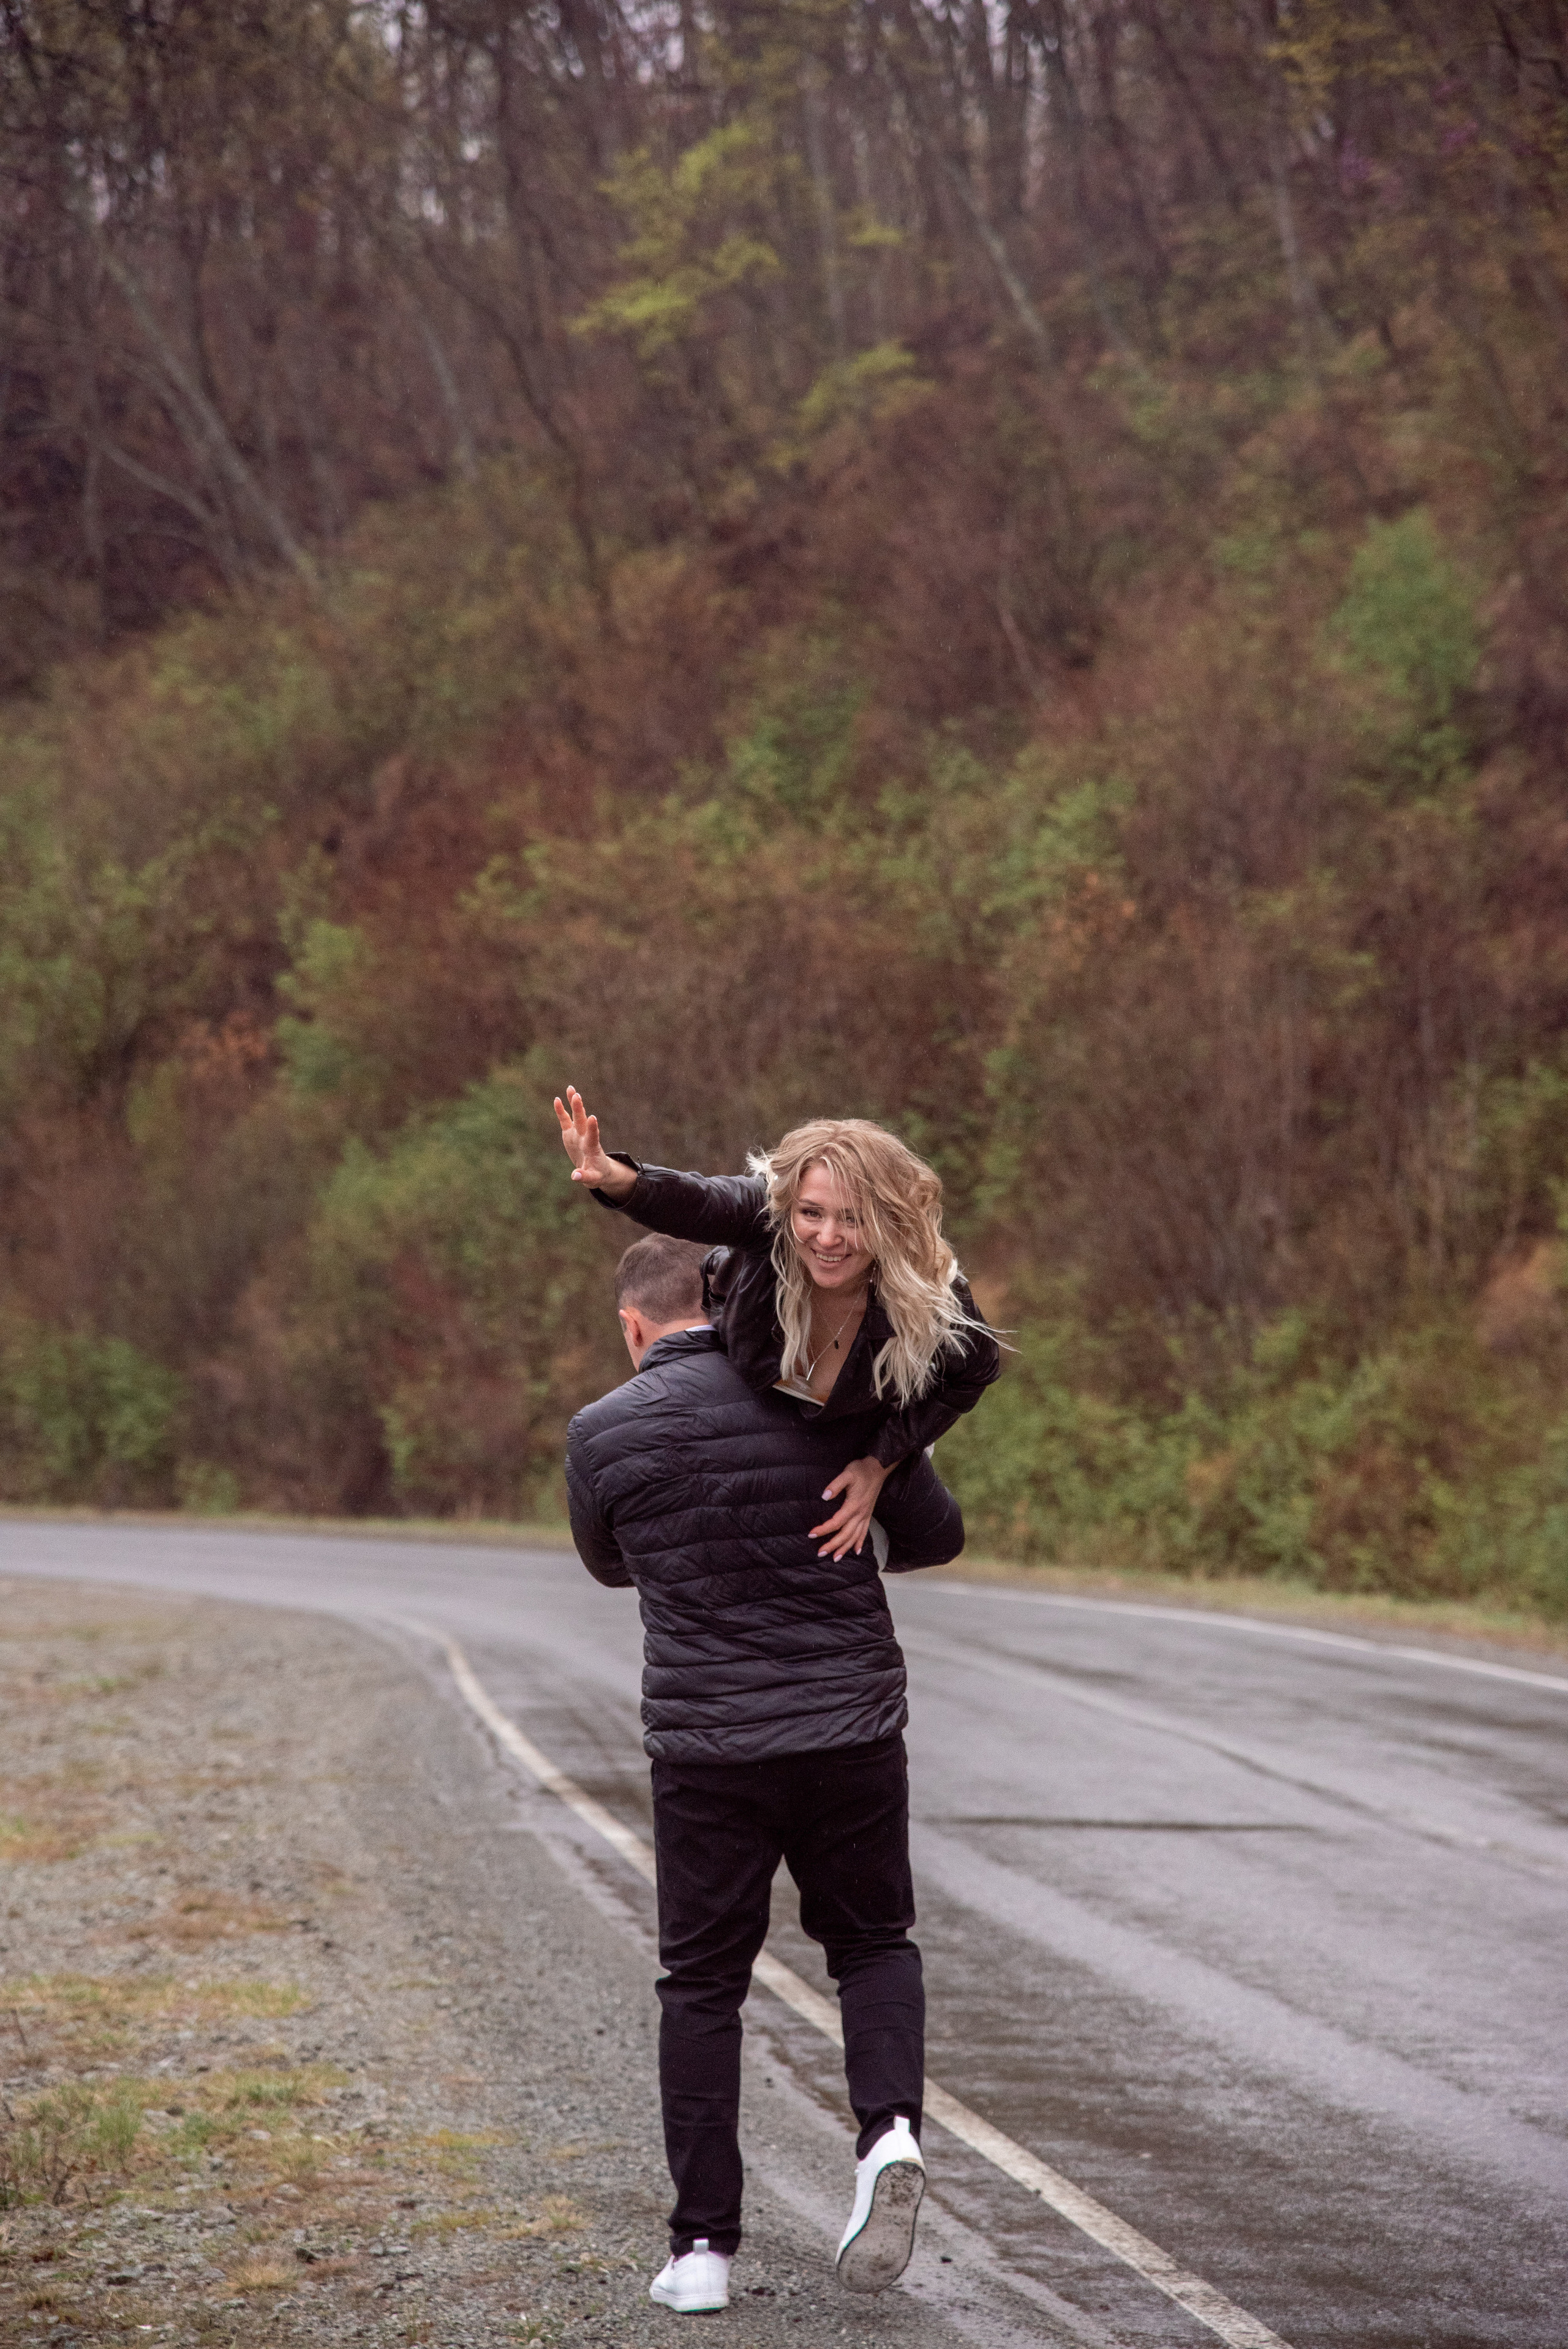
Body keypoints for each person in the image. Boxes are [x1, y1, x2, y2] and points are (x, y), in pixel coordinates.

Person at [566, 1231, 968, 2313]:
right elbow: (937, 1534)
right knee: (873, 1942)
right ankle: (887, 2132)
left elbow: (611, 1563)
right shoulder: (828, 1400)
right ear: (734, 1296)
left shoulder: (602, 1432)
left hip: (709, 1750)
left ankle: (702, 2249)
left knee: (702, 1985)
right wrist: (875, 1479)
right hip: (849, 1731)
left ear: (634, 1325)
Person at [553, 1090, 1001, 1564]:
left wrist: (879, 1462)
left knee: (939, 1537)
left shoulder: (935, 1295)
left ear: (890, 1222)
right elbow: (698, 1200)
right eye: (811, 1213)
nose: (827, 1239)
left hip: (858, 1428)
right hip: (751, 1398)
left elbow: (974, 1373)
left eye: (853, 1220)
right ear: (789, 1208)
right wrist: (615, 1178)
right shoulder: (766, 1220)